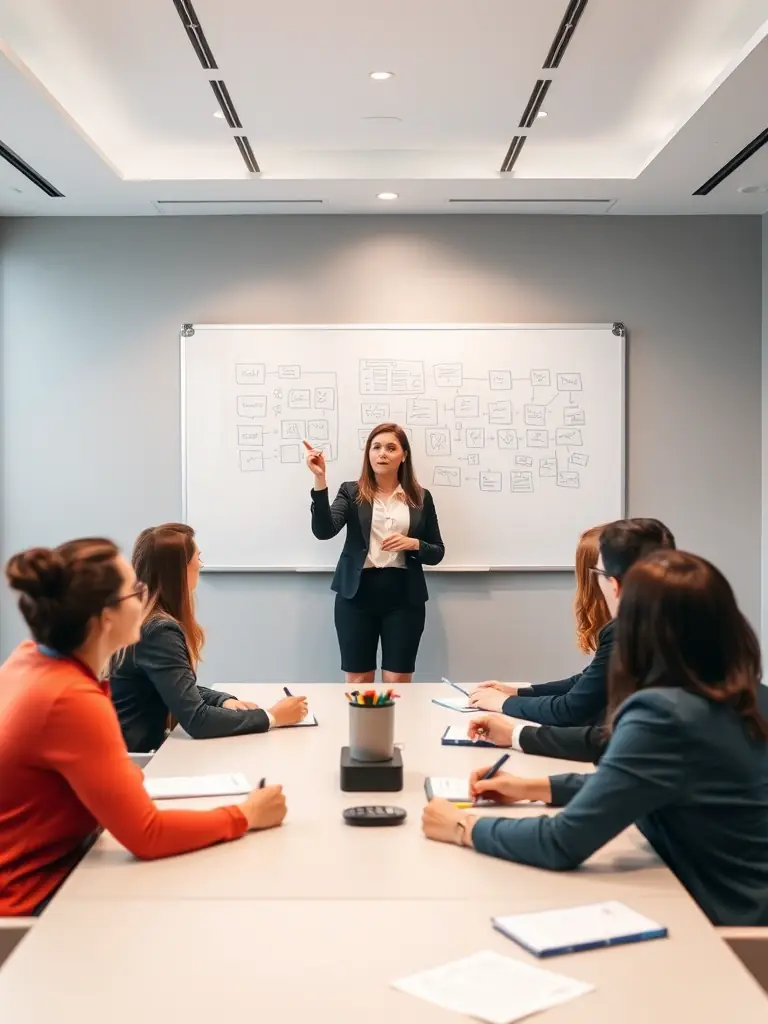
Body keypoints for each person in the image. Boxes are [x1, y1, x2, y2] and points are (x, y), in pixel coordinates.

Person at [422, 550, 768, 927]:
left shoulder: (664, 714)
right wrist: (529, 787)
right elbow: (631, 782)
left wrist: (461, 827)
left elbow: (563, 842)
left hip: (733, 930)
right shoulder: (749, 694)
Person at [0, 538, 287, 917]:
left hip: (58, 869)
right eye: (134, 591)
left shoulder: (29, 660)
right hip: (33, 901)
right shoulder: (70, 699)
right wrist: (247, 814)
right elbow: (147, 836)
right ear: (105, 618)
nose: (144, 597)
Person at [468, 519, 675, 737]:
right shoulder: (663, 621)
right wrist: (520, 692)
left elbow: (572, 710)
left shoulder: (626, 632)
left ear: (611, 582)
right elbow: (585, 683)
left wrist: (507, 708)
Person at [111, 524, 307, 752]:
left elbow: (174, 687)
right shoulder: (159, 631)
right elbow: (197, 720)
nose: (201, 566)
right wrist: (272, 717)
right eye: (198, 558)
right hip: (143, 761)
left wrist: (222, 700)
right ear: (179, 570)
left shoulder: (146, 621)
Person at [306, 422, 444, 685]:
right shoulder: (351, 491)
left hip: (405, 597)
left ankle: (401, 728)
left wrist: (413, 544)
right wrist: (320, 480)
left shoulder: (420, 497)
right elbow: (324, 531)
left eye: (391, 448)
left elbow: (437, 551)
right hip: (356, 595)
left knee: (398, 680)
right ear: (368, 453)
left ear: (403, 455)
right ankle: (363, 728)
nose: (382, 453)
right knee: (358, 679)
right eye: (376, 447)